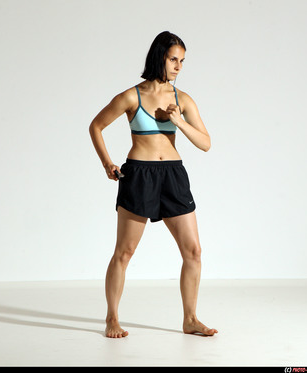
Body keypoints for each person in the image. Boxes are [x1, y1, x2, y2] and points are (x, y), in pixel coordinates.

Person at [89, 31, 217, 338]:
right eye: (173, 59)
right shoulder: (131, 96)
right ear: (159, 57)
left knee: (194, 251)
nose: (178, 67)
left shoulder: (182, 100)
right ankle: (112, 318)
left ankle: (190, 319)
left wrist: (180, 122)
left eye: (182, 61)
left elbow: (206, 144)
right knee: (125, 252)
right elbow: (96, 125)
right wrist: (108, 163)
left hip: (173, 175)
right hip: (139, 175)